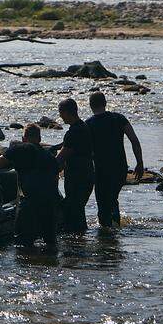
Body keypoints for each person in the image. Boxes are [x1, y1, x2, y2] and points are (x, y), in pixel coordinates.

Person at [0, 124, 61, 249]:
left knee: (23, 245)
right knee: (50, 244)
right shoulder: (49, 156)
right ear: (40, 139)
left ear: (23, 138)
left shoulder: (18, 149)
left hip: (29, 203)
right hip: (50, 204)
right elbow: (55, 178)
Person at [85, 92, 144, 229]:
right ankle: (114, 230)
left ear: (90, 106)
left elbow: (84, 150)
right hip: (120, 168)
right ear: (105, 103)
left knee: (103, 202)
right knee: (112, 198)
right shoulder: (119, 118)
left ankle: (107, 235)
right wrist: (140, 163)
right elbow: (134, 141)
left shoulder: (89, 124)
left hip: (101, 169)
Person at [58, 98, 94, 232]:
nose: (60, 116)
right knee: (78, 210)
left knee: (75, 212)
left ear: (67, 112)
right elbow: (65, 147)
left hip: (77, 178)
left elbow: (61, 157)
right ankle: (80, 241)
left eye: (61, 112)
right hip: (88, 174)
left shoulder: (73, 133)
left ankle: (78, 244)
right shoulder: (83, 127)